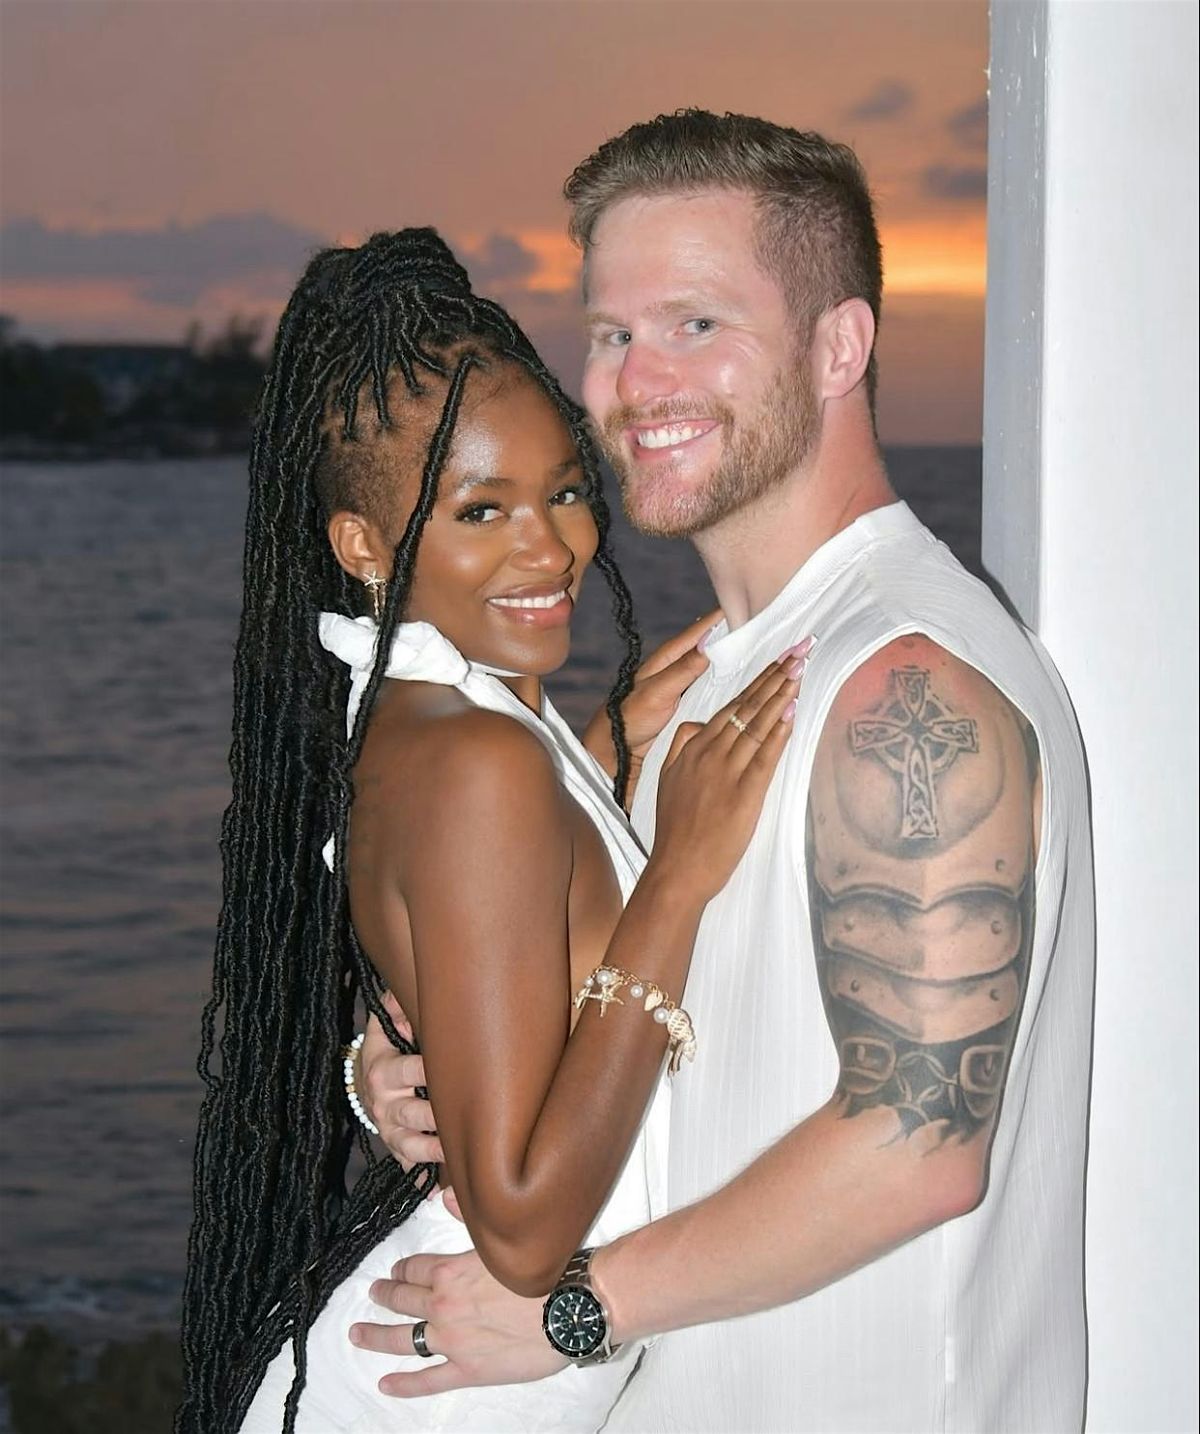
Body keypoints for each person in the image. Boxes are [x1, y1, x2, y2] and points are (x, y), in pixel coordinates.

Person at [356, 112, 1095, 1432]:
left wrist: (575, 1306)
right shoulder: (711, 685)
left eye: (696, 324)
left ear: (838, 347)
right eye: (611, 333)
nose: (638, 381)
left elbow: (918, 1144)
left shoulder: (905, 682)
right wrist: (421, 1070)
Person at [176, 226, 806, 1434]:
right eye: (481, 510)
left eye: (564, 489)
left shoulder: (445, 718)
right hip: (438, 1383)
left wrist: (599, 760)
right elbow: (522, 1233)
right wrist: (676, 878)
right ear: (363, 546)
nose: (550, 546)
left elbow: (496, 915)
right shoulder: (479, 759)